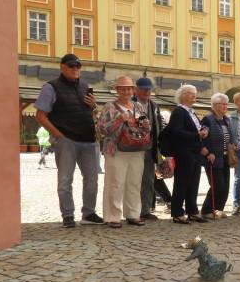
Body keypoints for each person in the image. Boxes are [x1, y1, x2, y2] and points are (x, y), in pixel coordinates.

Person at [34, 53, 104, 228]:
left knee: (92, 179)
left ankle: (88, 213)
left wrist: (93, 106)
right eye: (71, 66)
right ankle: (68, 215)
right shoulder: (51, 87)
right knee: (65, 180)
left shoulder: (85, 86)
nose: (75, 69)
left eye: (78, 66)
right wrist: (58, 135)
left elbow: (94, 113)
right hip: (67, 140)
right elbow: (40, 115)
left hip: (88, 140)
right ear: (62, 67)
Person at [97, 76, 151, 228]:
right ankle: (113, 216)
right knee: (115, 183)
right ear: (117, 90)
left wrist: (146, 125)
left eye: (129, 88)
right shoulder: (110, 106)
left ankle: (133, 214)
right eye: (123, 88)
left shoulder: (138, 107)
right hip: (115, 149)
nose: (126, 91)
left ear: (133, 90)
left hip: (136, 149)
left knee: (134, 183)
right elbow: (101, 129)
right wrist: (118, 120)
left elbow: (143, 128)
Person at [168, 84, 209, 224]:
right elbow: (176, 132)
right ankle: (177, 213)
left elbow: (194, 129)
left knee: (194, 182)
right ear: (182, 96)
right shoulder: (179, 111)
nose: (194, 95)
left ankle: (192, 211)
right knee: (182, 182)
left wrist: (202, 132)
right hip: (184, 151)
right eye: (190, 93)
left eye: (195, 93)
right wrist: (197, 134)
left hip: (194, 151)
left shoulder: (191, 111)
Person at [132, 77, 165, 221]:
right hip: (133, 149)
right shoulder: (131, 104)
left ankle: (145, 210)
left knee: (148, 181)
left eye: (149, 89)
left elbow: (160, 127)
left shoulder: (154, 106)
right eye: (144, 89)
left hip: (150, 149)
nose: (147, 91)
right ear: (136, 90)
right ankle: (132, 210)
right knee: (132, 181)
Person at [200, 93, 233, 220]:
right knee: (217, 184)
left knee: (225, 185)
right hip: (213, 157)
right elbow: (202, 138)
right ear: (214, 105)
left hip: (225, 157)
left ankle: (218, 209)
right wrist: (207, 153)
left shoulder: (226, 120)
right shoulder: (208, 119)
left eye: (226, 104)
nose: (225, 106)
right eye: (222, 104)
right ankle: (206, 210)